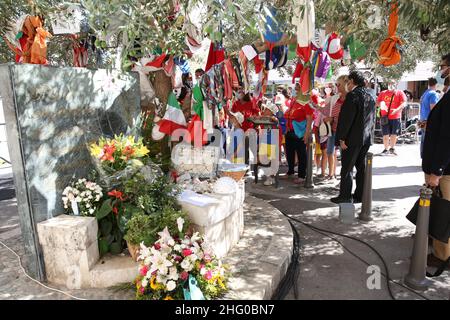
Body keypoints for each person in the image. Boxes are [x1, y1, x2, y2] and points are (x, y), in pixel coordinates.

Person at [422, 53, 450, 266]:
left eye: (443, 66)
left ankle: (443, 256)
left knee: (443, 210)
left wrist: (437, 170)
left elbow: (447, 136)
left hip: (445, 170)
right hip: (441, 167)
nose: (441, 70)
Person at [332, 71, 376, 204]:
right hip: (366, 138)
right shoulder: (370, 95)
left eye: (348, 82)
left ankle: (345, 196)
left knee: (347, 168)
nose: (347, 85)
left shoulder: (352, 96)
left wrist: (342, 138)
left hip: (351, 140)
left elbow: (346, 120)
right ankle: (359, 196)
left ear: (352, 82)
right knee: (361, 169)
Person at [284, 83, 314, 184]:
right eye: (295, 89)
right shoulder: (293, 100)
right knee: (289, 153)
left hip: (299, 133)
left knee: (301, 155)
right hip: (290, 132)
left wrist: (307, 133)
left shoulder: (305, 102)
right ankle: (290, 171)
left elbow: (309, 117)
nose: (295, 90)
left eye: (297, 89)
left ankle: (301, 175)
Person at [325, 75, 349, 180]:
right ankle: (331, 174)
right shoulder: (335, 98)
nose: (337, 86)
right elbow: (329, 112)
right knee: (330, 152)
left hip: (344, 132)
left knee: (345, 156)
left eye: (339, 84)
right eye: (336, 84)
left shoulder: (350, 99)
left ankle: (343, 179)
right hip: (333, 130)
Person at [376, 80, 407, 156]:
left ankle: (392, 148)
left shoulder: (400, 92)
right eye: (389, 83)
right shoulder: (383, 93)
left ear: (396, 84)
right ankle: (386, 149)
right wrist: (381, 104)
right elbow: (377, 103)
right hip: (385, 117)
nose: (391, 85)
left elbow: (404, 103)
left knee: (394, 134)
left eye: (393, 83)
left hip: (395, 117)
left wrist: (397, 110)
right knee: (385, 134)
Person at [418, 78, 440, 158]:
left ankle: (423, 157)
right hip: (429, 120)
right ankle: (427, 157)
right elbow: (433, 108)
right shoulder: (433, 94)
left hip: (423, 119)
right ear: (436, 84)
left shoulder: (425, 93)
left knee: (424, 140)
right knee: (429, 140)